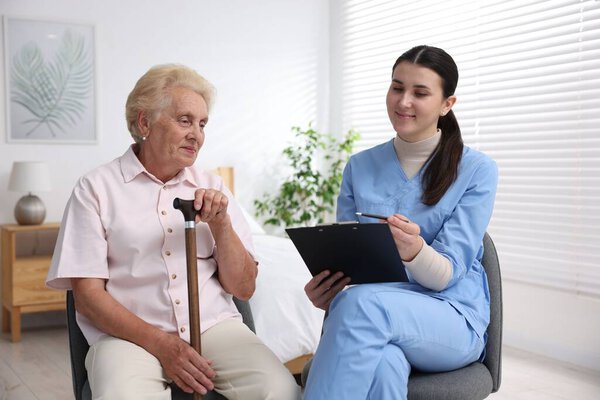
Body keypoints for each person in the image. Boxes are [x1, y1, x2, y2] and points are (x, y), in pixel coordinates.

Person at [46, 64, 300, 400]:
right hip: (128, 337)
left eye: (202, 123)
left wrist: (221, 224)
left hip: (214, 328)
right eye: (185, 120)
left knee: (279, 390)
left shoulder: (212, 186)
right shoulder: (95, 189)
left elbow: (244, 287)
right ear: (145, 122)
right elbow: (88, 298)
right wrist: (162, 344)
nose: (197, 134)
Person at [303, 45, 498, 400]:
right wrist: (329, 289)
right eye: (397, 87)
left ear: (446, 104)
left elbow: (448, 273)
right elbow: (352, 266)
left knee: (361, 306)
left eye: (420, 92)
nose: (403, 101)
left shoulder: (476, 170)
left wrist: (414, 250)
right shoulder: (359, 166)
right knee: (383, 364)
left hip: (451, 317)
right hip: (377, 315)